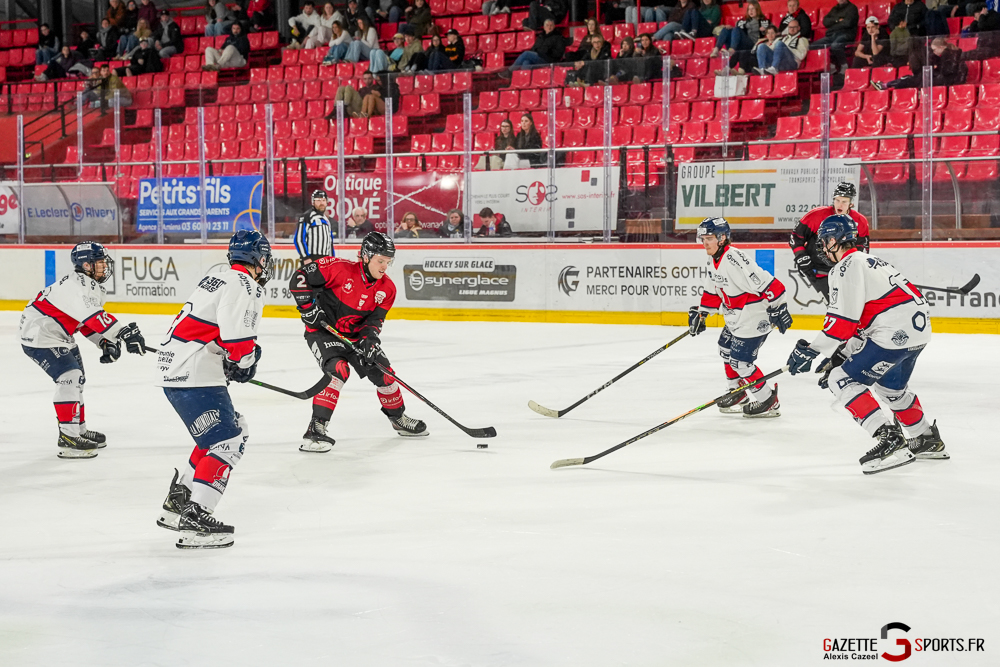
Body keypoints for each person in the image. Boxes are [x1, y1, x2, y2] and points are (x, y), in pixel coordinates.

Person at [785, 215, 948, 474]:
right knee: (890, 389)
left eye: (824, 241)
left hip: (892, 334)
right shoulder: (869, 261)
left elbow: (842, 322)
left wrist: (811, 350)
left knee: (840, 379)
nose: (822, 247)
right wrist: (841, 355)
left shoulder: (845, 267)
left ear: (834, 240)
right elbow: (863, 322)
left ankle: (890, 440)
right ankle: (925, 438)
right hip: (916, 334)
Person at [154, 230, 273, 549]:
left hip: (182, 369)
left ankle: (179, 501)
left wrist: (233, 358)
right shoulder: (245, 284)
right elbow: (239, 344)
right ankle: (197, 516)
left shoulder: (219, 278)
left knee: (229, 429)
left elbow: (215, 333)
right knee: (228, 441)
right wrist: (247, 360)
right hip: (193, 372)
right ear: (257, 259)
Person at [290, 232, 428, 453]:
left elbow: (375, 321)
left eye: (388, 261)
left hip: (354, 337)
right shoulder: (338, 268)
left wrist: (370, 340)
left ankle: (398, 418)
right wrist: (308, 309)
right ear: (365, 256)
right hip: (324, 333)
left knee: (385, 374)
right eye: (380, 260)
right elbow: (299, 277)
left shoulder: (387, 289)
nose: (385, 266)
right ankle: (316, 428)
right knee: (338, 370)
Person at [19, 242, 146, 459]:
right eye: (100, 262)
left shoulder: (87, 284)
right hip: (40, 335)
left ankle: (78, 430)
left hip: (58, 335)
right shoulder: (75, 286)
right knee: (69, 376)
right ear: (86, 265)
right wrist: (123, 333)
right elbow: (94, 317)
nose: (105, 266)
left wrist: (103, 341)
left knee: (77, 380)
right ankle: (68, 438)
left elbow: (84, 322)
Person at [687, 218, 792, 419]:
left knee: (741, 363)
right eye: (703, 238)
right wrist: (702, 313)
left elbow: (769, 283)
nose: (705, 243)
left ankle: (768, 401)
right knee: (725, 349)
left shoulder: (734, 259)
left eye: (709, 238)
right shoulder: (713, 259)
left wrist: (779, 307)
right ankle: (737, 392)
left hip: (754, 317)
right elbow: (712, 290)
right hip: (736, 316)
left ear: (722, 238)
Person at [789, 182, 870, 300]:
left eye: (844, 201)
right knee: (835, 304)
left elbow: (862, 249)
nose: (839, 205)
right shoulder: (816, 215)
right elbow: (796, 237)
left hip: (844, 272)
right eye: (837, 200)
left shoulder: (860, 221)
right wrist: (801, 256)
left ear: (851, 203)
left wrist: (855, 269)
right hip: (817, 271)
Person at [872, 36, 966, 88]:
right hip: (939, 79)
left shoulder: (948, 54)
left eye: (934, 50)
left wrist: (935, 68)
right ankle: (887, 84)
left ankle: (886, 85)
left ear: (941, 47)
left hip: (943, 81)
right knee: (913, 78)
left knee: (913, 79)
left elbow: (946, 72)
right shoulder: (949, 54)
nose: (933, 52)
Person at [811, 0, 859, 72]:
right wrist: (837, 20)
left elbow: (848, 23)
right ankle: (830, 65)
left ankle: (844, 65)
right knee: (812, 46)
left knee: (835, 46)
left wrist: (833, 24)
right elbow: (825, 22)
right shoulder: (835, 9)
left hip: (846, 34)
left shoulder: (852, 8)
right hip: (831, 35)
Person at [295, 190, 335, 264]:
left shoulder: (326, 219)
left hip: (325, 259)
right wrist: (305, 257)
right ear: (313, 202)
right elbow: (299, 239)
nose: (322, 203)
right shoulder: (307, 216)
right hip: (312, 258)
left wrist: (332, 259)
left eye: (324, 200)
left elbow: (330, 242)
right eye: (318, 200)